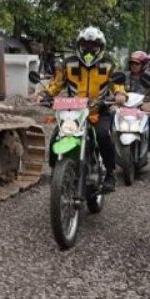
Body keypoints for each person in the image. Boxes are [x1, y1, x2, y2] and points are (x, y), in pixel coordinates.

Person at [37, 26, 126, 192]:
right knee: (57, 135)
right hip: (74, 113)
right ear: (79, 45)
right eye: (85, 44)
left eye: (93, 45)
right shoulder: (69, 63)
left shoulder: (108, 64)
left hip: (98, 111)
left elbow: (117, 85)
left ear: (100, 47)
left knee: (102, 136)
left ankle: (111, 174)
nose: (89, 48)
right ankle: (57, 170)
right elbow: (56, 84)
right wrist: (45, 94)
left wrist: (120, 95)